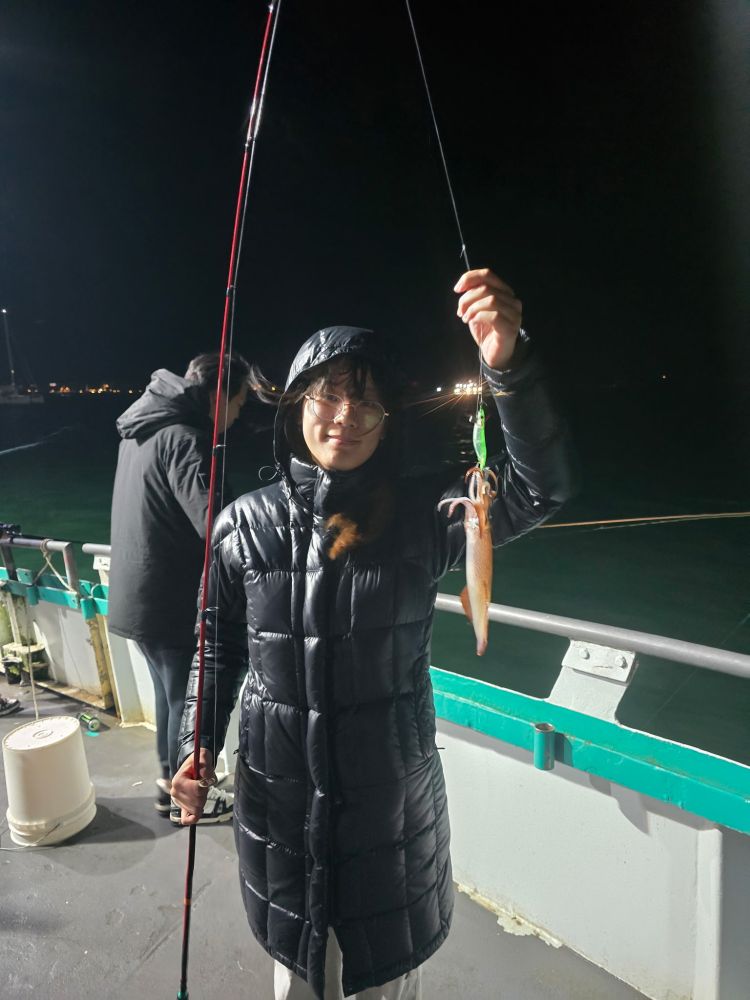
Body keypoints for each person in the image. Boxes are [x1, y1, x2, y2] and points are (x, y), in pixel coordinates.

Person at [171, 269, 576, 998]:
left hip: (389, 810)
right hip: (277, 805)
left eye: (369, 398)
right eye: (329, 393)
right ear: (298, 405)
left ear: (389, 419)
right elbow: (218, 645)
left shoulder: (428, 514)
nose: (347, 413)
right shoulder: (241, 524)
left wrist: (507, 364)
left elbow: (536, 489)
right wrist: (194, 742)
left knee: (383, 981)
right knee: (295, 976)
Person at [108, 351, 250, 820]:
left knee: (170, 698)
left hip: (137, 596)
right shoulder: (186, 439)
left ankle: (168, 782)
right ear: (218, 396)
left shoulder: (144, 430)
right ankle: (183, 800)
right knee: (180, 699)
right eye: (240, 402)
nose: (239, 414)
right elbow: (219, 525)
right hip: (168, 602)